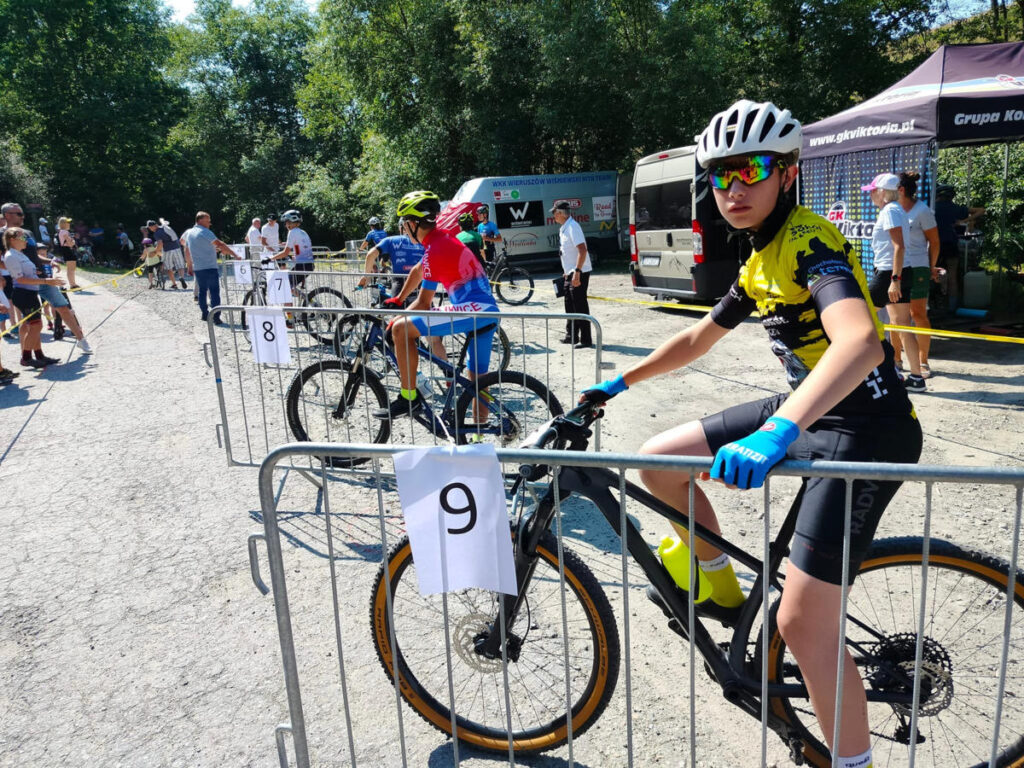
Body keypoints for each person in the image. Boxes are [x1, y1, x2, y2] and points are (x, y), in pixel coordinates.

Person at [581, 100, 920, 768]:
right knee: (658, 461)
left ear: (786, 175)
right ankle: (723, 591)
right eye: (721, 175)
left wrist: (778, 431)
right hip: (810, 406)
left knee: (800, 624)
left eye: (752, 170)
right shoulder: (759, 257)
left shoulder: (810, 242)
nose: (734, 187)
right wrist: (616, 384)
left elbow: (859, 342)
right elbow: (696, 337)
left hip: (866, 426)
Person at [373, 190, 499, 421]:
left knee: (401, 329)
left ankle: (409, 398)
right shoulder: (442, 240)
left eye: (403, 223)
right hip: (487, 311)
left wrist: (393, 322)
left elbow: (423, 302)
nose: (402, 227)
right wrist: (399, 300)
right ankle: (480, 438)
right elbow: (417, 271)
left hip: (474, 310)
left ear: (412, 223)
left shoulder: (435, 249)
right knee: (478, 381)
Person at [863, 173, 925, 392]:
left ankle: (875, 368)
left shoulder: (890, 210)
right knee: (902, 326)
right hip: (898, 272)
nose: (870, 194)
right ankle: (916, 378)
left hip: (891, 273)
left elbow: (899, 247)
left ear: (882, 192)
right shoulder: (896, 209)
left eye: (872, 190)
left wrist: (894, 281)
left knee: (861, 317)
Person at [896, 172, 939, 377]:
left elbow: (935, 242)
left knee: (918, 314)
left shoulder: (922, 210)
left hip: (918, 267)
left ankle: (923, 362)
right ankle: (896, 360)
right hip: (896, 268)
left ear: (902, 190)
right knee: (896, 317)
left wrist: (932, 266)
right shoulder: (892, 210)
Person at [3, 227, 65, 367]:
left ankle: (39, 355)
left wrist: (35, 273)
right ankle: (26, 357)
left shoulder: (20, 254)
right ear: (12, 240)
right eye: (23, 238)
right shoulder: (11, 256)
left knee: (35, 325)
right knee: (36, 325)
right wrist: (44, 281)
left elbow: (26, 273)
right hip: (23, 294)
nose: (26, 240)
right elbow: (20, 279)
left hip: (30, 293)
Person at [181, 211, 240, 325]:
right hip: (210, 267)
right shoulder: (205, 232)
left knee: (202, 292)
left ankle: (204, 314)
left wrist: (189, 265)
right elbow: (220, 244)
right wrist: (235, 255)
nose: (210, 223)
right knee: (214, 292)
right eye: (208, 221)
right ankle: (216, 317)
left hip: (198, 268)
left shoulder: (189, 233)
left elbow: (187, 251)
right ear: (200, 220)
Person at [934, 183, 985, 311]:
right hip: (951, 243)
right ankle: (952, 307)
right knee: (952, 275)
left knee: (932, 273)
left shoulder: (931, 208)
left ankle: (932, 303)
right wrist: (964, 221)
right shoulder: (955, 208)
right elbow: (981, 210)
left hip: (935, 245)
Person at [35, 243, 91, 354]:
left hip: (47, 284)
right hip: (29, 284)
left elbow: (35, 257)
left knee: (63, 307)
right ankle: (33, 354)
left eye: (44, 252)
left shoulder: (27, 238)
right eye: (41, 252)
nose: (43, 253)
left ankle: (81, 339)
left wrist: (50, 264)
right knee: (33, 319)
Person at [552, 200, 593, 349]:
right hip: (570, 272)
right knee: (569, 304)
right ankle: (572, 336)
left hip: (579, 271)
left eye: (555, 213)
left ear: (561, 213)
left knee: (580, 305)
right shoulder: (564, 227)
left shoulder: (573, 227)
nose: (553, 216)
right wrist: (566, 271)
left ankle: (586, 339)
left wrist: (577, 272)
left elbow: (582, 250)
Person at [357, 224, 425, 297]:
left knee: (395, 306)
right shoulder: (425, 242)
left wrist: (366, 277)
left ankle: (382, 276)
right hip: (420, 283)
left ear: (401, 228)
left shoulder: (391, 240)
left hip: (399, 283)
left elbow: (370, 254)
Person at [56, 217, 80, 289]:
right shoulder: (65, 232)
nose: (69, 224)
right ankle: (72, 284)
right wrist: (73, 241)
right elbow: (70, 244)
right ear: (63, 224)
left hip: (66, 250)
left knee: (71, 268)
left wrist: (72, 241)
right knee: (71, 268)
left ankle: (73, 284)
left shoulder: (61, 232)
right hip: (67, 249)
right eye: (67, 222)